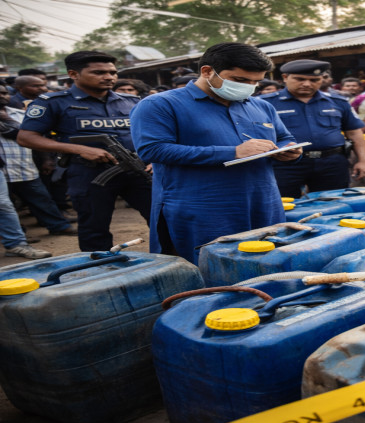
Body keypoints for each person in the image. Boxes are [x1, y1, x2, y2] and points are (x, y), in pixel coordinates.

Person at [129, 42, 300, 264]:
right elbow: (153, 149)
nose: (249, 86)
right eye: (239, 80)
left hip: (263, 202)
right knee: (206, 267)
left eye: (255, 81)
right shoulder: (160, 104)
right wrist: (232, 152)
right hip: (202, 207)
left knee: (264, 263)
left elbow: (285, 138)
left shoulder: (261, 106)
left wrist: (290, 151)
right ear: (207, 71)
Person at [17, 51, 152, 252]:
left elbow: (151, 133)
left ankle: (172, 260)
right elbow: (26, 137)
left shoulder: (131, 101)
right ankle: (101, 270)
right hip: (89, 173)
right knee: (94, 227)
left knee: (162, 218)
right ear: (73, 74)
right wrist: (79, 149)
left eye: (112, 72)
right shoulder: (52, 102)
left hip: (137, 170)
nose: (109, 77)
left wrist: (153, 159)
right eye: (99, 72)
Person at [261, 59, 365, 198]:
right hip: (283, 164)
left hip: (332, 164)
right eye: (300, 79)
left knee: (332, 205)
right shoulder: (265, 103)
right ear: (285, 77)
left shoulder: (338, 102)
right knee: (282, 205)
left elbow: (355, 133)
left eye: (314, 80)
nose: (307, 84)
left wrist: (363, 161)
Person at [0, 84, 77, 237]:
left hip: (24, 166)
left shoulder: (18, 114)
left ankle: (58, 226)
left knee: (41, 199)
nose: (3, 96)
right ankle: (17, 236)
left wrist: (46, 159)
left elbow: (37, 138)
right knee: (7, 205)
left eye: (5, 93)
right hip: (2, 170)